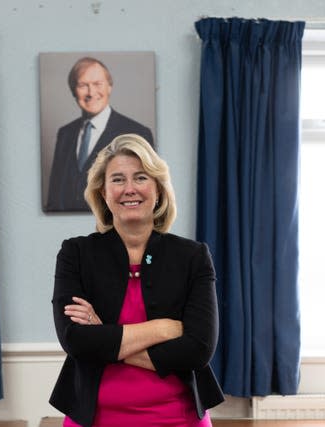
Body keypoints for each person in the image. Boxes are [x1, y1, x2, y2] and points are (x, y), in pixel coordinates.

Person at [50, 134, 224, 427]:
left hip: (178, 419)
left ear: (158, 189)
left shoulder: (192, 256)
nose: (129, 189)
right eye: (117, 179)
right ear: (103, 193)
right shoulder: (76, 253)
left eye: (140, 177)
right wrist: (162, 328)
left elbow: (198, 349)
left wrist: (104, 335)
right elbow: (75, 340)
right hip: (94, 419)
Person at [45, 57, 154, 212]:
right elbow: (54, 197)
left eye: (97, 84)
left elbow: (144, 196)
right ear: (73, 90)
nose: (91, 92)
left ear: (109, 87)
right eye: (83, 85)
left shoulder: (137, 133)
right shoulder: (65, 133)